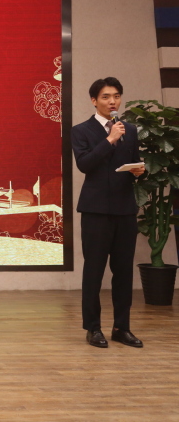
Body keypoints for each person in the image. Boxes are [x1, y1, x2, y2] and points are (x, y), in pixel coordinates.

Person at [71, 77, 145, 349]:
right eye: (105, 97)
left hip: (125, 209)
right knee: (94, 270)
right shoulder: (81, 131)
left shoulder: (130, 129)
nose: (112, 101)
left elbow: (134, 161)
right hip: (96, 210)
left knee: (123, 271)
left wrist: (139, 170)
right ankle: (93, 328)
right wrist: (110, 139)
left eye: (116, 96)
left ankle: (121, 328)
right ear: (94, 101)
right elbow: (85, 164)